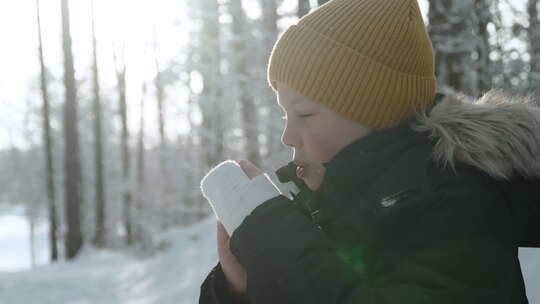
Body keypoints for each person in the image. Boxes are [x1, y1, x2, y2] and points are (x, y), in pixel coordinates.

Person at [199, 0, 540, 303]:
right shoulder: (327, 209)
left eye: (304, 113)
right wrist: (240, 287)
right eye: (285, 114)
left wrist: (272, 240)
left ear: (376, 113)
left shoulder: (456, 206)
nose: (288, 136)